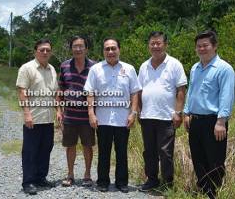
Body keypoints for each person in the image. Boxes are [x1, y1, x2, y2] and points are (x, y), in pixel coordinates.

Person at [84, 38, 142, 193]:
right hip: (102, 118)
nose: (110, 52)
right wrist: (91, 113)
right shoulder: (96, 69)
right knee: (103, 151)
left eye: (113, 48)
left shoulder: (129, 69)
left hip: (123, 119)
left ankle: (122, 182)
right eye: (107, 49)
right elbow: (89, 92)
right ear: (103, 51)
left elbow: (135, 92)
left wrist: (133, 113)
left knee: (122, 152)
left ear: (119, 50)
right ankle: (102, 181)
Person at [183, 30, 235, 198]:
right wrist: (186, 113)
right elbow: (191, 91)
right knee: (198, 158)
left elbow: (226, 97)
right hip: (195, 120)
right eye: (199, 46)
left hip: (214, 122)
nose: (202, 49)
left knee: (215, 160)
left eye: (205, 45)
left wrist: (221, 122)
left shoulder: (224, 69)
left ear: (214, 46)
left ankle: (214, 193)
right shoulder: (195, 68)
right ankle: (204, 191)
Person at [137, 31, 187, 192]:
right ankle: (152, 180)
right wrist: (138, 111)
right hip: (147, 116)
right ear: (148, 46)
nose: (155, 46)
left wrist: (178, 113)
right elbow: (138, 91)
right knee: (149, 152)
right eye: (152, 43)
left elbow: (181, 90)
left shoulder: (174, 64)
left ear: (165, 45)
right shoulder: (144, 66)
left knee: (166, 153)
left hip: (167, 117)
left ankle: (167, 184)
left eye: (159, 43)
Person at [16, 39, 58, 195]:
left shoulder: (52, 69)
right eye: (42, 50)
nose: (45, 52)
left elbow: (55, 93)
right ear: (35, 51)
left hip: (48, 118)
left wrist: (58, 111)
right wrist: (26, 113)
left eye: (48, 50)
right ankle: (28, 182)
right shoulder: (27, 68)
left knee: (46, 149)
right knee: (30, 151)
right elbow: (22, 91)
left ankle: (41, 178)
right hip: (33, 118)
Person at [56, 36, 96, 187]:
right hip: (70, 115)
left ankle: (87, 175)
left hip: (87, 115)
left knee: (88, 145)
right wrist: (59, 110)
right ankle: (70, 174)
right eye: (75, 46)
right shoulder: (64, 65)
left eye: (81, 46)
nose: (78, 49)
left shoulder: (94, 66)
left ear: (86, 48)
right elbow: (61, 89)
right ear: (71, 48)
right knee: (70, 145)